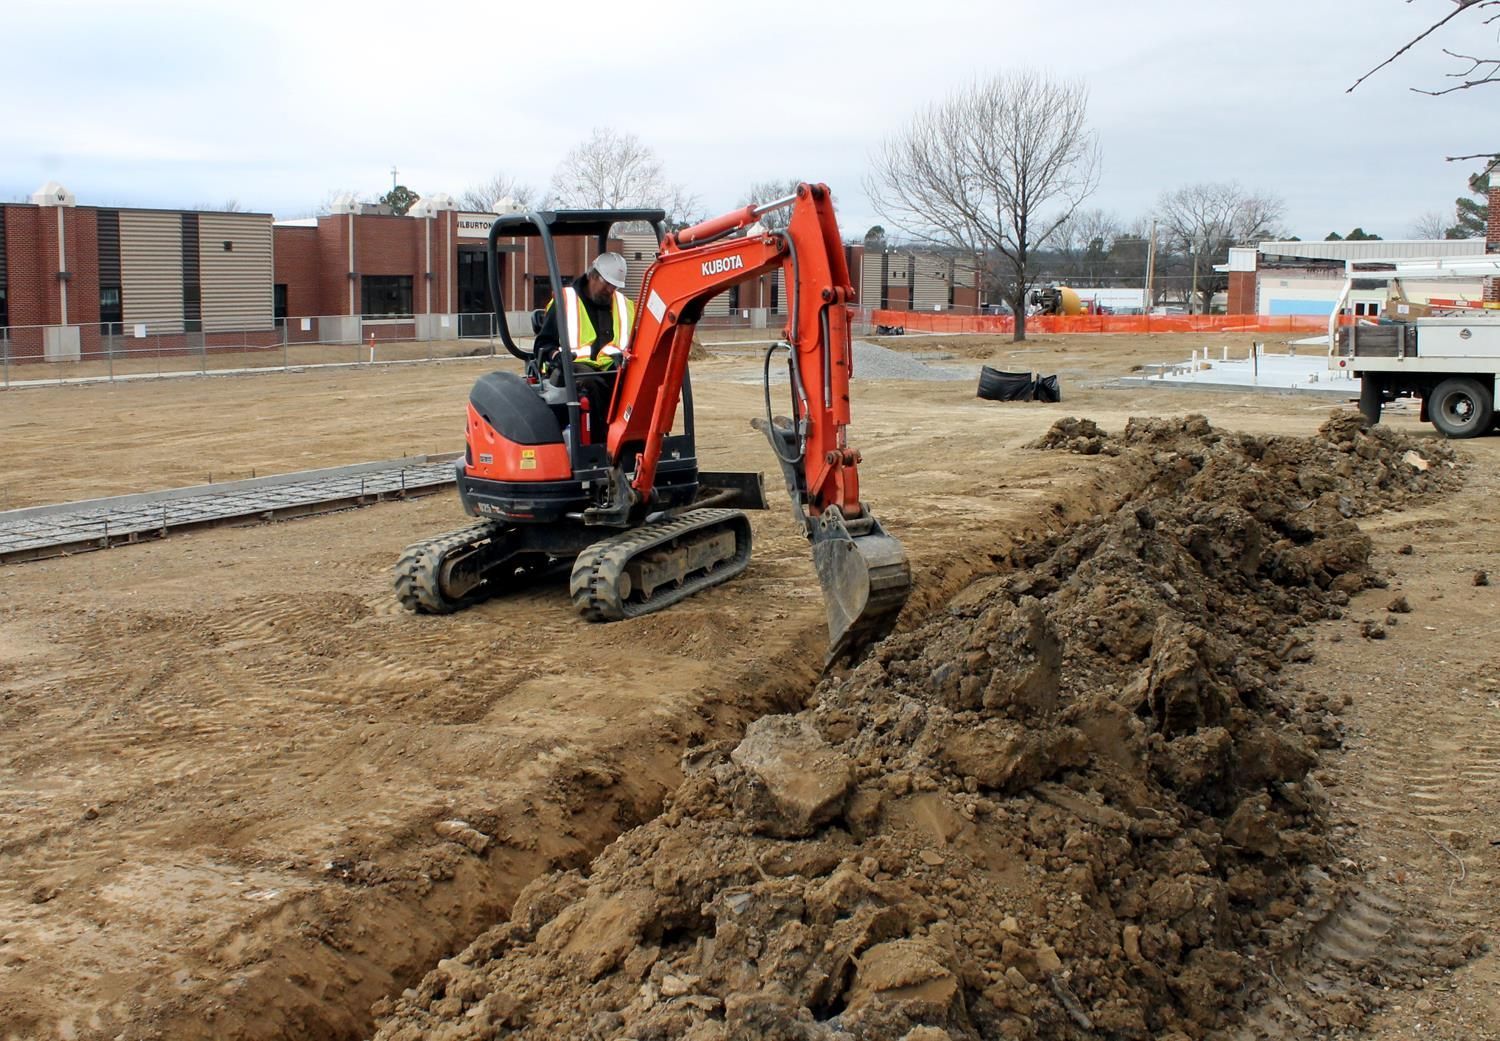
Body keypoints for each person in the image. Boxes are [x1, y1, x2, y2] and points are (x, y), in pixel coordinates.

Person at [534, 251, 634, 443]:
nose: (611, 290)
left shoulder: (624, 305)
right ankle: (601, 446)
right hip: (570, 369)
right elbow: (543, 343)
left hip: (613, 369)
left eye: (615, 286)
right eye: (607, 284)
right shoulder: (565, 302)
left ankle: (635, 443)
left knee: (635, 382)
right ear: (593, 276)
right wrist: (556, 356)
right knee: (591, 383)